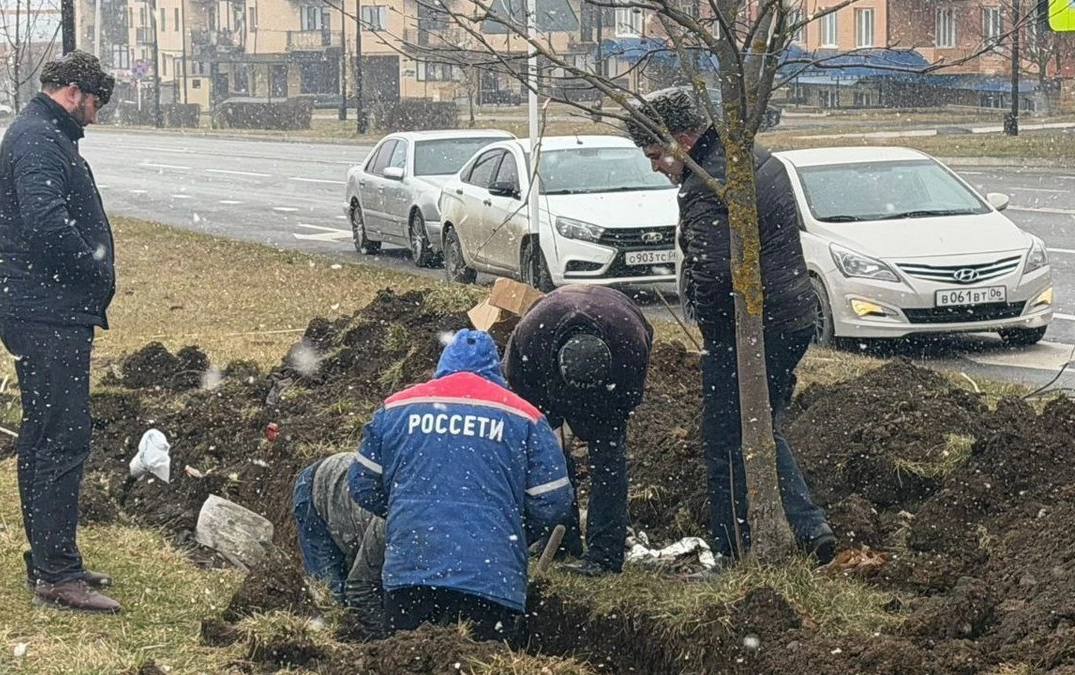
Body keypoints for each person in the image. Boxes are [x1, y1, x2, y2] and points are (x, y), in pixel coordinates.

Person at [626, 88, 836, 565]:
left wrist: (714, 337)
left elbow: (714, 273)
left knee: (725, 439)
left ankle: (731, 548)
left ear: (681, 141)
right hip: (791, 316)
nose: (655, 168)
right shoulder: (749, 156)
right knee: (760, 423)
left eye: (656, 155)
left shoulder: (707, 184)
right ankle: (807, 526)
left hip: (751, 327)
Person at [0, 51, 120, 613]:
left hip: (43, 312)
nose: (96, 114)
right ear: (73, 92)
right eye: (95, 103)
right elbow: (47, 225)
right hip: (47, 316)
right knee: (61, 438)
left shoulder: (41, 134)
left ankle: (50, 558)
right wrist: (94, 270)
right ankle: (57, 575)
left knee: (44, 434)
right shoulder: (39, 139)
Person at [349, 329, 572, 641]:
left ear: (444, 363)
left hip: (411, 571)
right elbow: (554, 502)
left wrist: (407, 513)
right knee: (483, 660)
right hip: (491, 578)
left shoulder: (396, 408)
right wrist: (513, 531)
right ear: (496, 368)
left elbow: (362, 484)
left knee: (407, 657)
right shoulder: (526, 417)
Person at [503, 285, 653, 577]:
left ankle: (604, 555)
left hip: (609, 386)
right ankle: (560, 536)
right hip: (545, 379)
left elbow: (628, 399)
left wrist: (599, 422)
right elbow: (522, 399)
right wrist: (551, 436)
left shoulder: (630, 343)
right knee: (551, 459)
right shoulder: (530, 340)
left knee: (609, 460)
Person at [292, 452, 388, 639]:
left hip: (348, 494)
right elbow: (359, 587)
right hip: (315, 489)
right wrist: (385, 641)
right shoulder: (387, 526)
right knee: (333, 603)